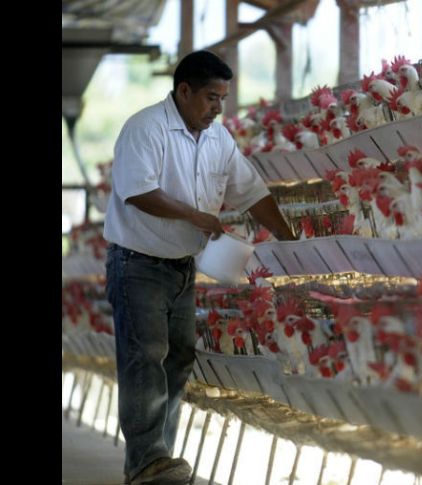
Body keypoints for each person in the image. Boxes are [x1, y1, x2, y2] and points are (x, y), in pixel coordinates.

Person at [103, 50, 296, 485]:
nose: (217, 108)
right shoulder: (146, 127)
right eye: (211, 97)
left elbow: (251, 192)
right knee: (145, 358)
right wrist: (195, 215)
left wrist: (289, 239)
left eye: (223, 98)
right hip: (137, 263)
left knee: (178, 360)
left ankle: (153, 461)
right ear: (183, 91)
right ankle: (150, 461)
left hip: (181, 267)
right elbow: (137, 192)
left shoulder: (218, 138)